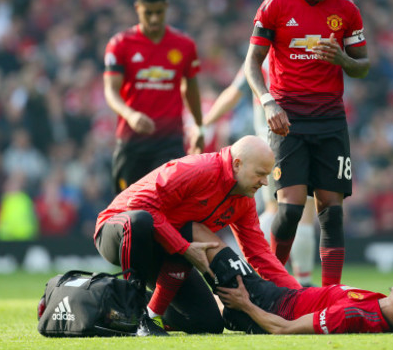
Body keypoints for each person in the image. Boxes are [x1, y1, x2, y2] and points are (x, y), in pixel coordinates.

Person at [243, 0, 370, 286]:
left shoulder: (346, 10)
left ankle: (331, 294)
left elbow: (363, 65)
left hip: (330, 119)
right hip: (289, 120)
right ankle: (270, 285)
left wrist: (342, 60)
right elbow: (251, 63)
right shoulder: (277, 4)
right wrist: (269, 102)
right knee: (289, 209)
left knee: (332, 212)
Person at [93, 135, 301, 336]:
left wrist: (300, 299)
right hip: (118, 231)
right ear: (237, 164)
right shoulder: (198, 169)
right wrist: (183, 247)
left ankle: (139, 309)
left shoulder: (244, 199)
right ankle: (134, 315)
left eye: (267, 175)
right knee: (141, 221)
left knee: (207, 322)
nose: (265, 182)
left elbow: (260, 254)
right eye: (260, 173)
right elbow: (138, 205)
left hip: (163, 247)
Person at [192, 222, 393, 334]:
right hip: (281, 294)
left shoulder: (352, 315)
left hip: (263, 305)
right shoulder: (387, 308)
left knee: (197, 232)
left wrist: (245, 304)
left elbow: (283, 329)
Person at [203, 65, 318, 287]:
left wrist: (205, 122)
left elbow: (233, 92)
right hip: (295, 141)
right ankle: (282, 278)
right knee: (298, 210)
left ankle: (264, 274)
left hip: (273, 143)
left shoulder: (260, 57)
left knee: (281, 209)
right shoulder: (296, 50)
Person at [103, 0, 204, 194]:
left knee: (167, 205)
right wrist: (130, 115)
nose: (155, 18)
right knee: (128, 211)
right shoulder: (120, 44)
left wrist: (198, 126)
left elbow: (191, 89)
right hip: (132, 142)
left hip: (169, 140)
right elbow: (111, 91)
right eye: (148, 13)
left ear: (166, 7)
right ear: (137, 8)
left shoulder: (184, 45)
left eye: (159, 12)